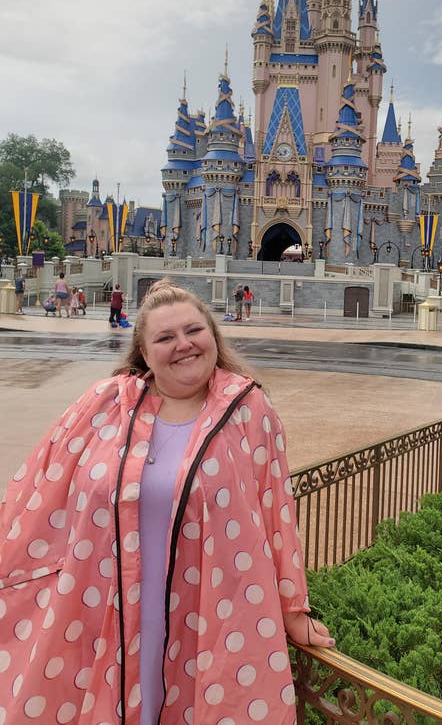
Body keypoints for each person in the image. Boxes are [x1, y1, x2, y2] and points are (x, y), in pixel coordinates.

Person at [0, 279, 333, 724]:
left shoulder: (249, 410)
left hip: (207, 604)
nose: (183, 344)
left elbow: (276, 511)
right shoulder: (104, 404)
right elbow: (40, 488)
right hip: (104, 600)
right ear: (144, 351)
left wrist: (292, 609)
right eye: (165, 337)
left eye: (193, 330)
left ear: (213, 335)